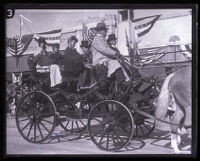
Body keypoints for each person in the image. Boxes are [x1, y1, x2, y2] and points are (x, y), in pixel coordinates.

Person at [90, 22, 130, 91]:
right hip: (99, 61)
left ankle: (126, 80)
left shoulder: (102, 39)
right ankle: (122, 83)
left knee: (121, 63)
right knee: (115, 63)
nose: (106, 32)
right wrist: (116, 54)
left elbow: (108, 50)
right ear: (101, 31)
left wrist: (119, 56)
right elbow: (104, 49)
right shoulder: (96, 39)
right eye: (105, 31)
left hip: (105, 60)